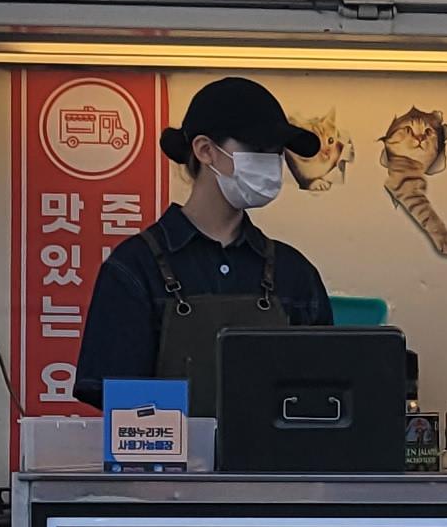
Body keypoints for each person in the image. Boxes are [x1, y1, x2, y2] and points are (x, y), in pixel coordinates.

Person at [70, 75, 332, 411]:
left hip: (273, 449)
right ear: (205, 150)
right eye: (257, 149)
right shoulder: (135, 269)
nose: (272, 164)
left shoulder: (294, 274)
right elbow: (123, 408)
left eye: (276, 153)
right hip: (167, 447)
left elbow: (323, 395)